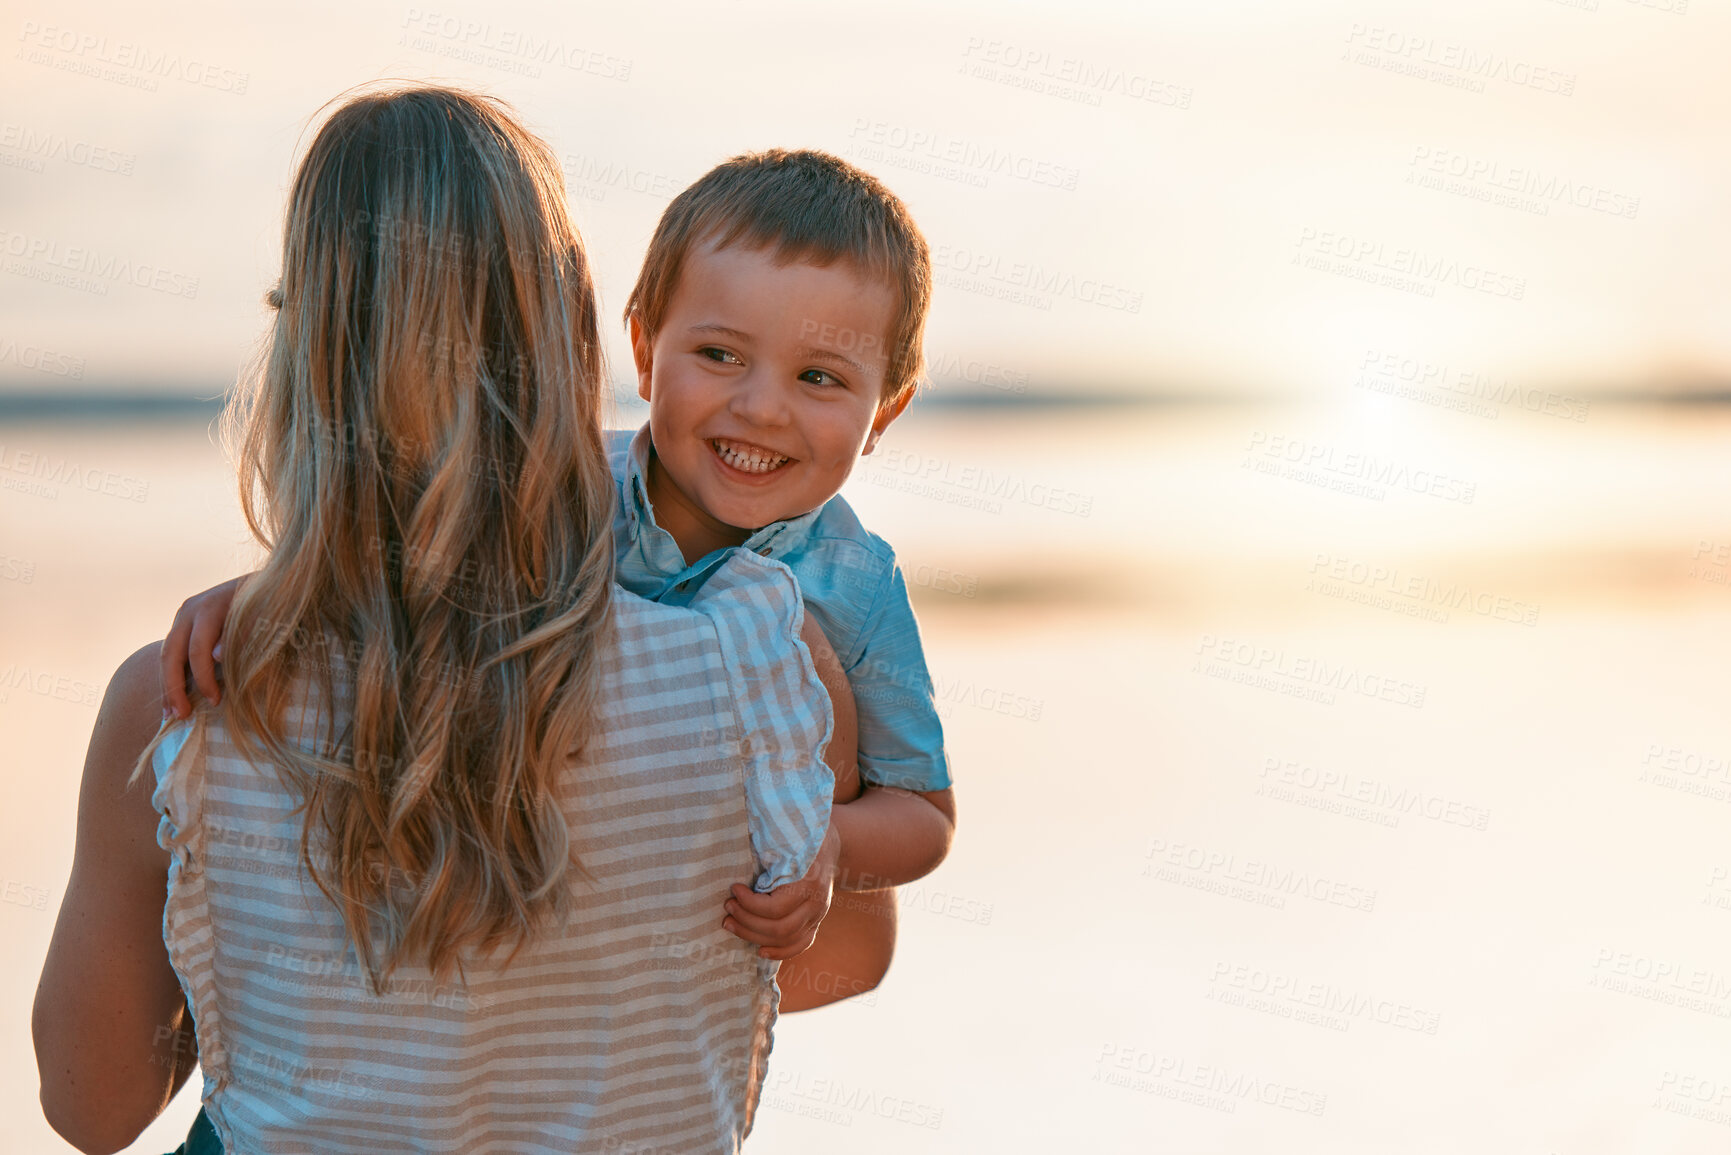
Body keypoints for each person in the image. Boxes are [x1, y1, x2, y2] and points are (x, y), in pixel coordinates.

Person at [33, 84, 855, 1154]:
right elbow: (847, 955)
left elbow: (91, 1107)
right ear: (573, 338)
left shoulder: (188, 700)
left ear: (307, 356)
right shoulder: (763, 668)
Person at [162, 150, 959, 1008]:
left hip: (708, 945)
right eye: (721, 355)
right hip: (536, 902)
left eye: (818, 377)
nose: (762, 407)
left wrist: (834, 845)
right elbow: (412, 572)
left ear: (883, 411)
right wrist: (270, 595)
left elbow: (924, 816)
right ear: (646, 352)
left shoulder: (856, 587)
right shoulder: (566, 491)